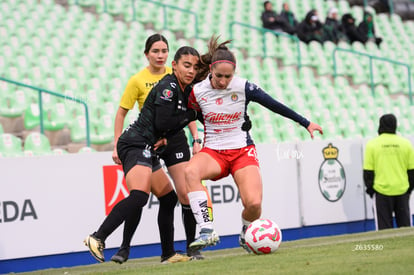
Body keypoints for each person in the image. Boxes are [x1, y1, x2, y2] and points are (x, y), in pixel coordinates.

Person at [184, 36, 323, 252]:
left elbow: (274, 105)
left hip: (242, 152)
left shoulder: (243, 87)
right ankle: (206, 229)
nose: (222, 81)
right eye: (218, 76)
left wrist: (305, 123)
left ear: (235, 72)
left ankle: (246, 232)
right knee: (190, 171)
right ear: (210, 70)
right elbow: (188, 115)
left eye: (228, 77)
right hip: (214, 152)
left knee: (254, 204)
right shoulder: (197, 91)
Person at [84, 46, 200, 264]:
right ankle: (97, 237)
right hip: (135, 143)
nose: (191, 70)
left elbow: (166, 125)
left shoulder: (183, 88)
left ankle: (168, 254)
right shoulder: (169, 86)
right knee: (139, 196)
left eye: (195, 67)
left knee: (168, 198)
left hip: (147, 145)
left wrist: (167, 133)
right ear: (173, 66)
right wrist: (191, 115)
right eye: (186, 65)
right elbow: (164, 122)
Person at [363, 113, 414, 230]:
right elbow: (412, 171)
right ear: (395, 125)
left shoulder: (372, 145)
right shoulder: (406, 144)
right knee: (406, 230)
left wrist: (371, 191)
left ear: (380, 125)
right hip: (402, 190)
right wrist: (408, 190)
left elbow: (368, 172)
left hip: (382, 192)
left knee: (384, 231)